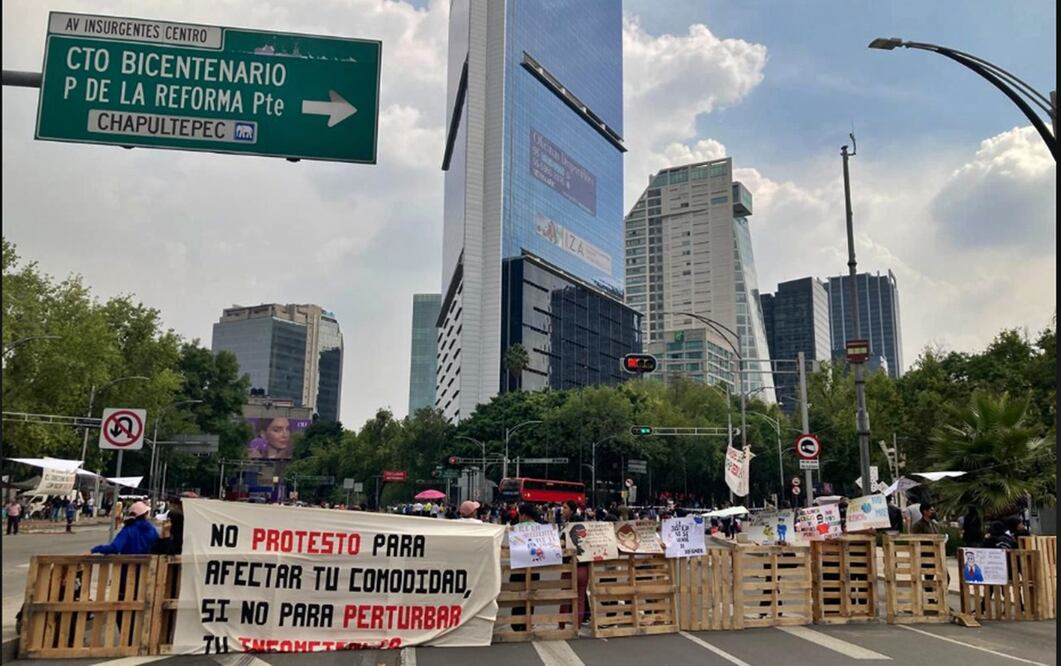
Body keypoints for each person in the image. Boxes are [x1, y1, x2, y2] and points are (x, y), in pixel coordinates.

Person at [87, 501, 159, 555]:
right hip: (147, 570)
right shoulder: (152, 530)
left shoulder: (128, 530)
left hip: (127, 569)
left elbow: (115, 547)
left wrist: (94, 550)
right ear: (145, 514)